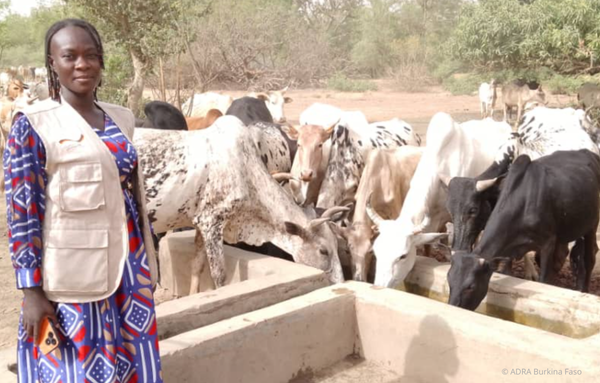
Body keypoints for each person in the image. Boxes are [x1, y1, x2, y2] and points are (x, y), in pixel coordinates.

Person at [3, 19, 162, 382]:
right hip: (72, 277)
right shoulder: (34, 124)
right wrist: (31, 290)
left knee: (133, 363)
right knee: (74, 371)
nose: (82, 64)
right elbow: (23, 213)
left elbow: (130, 196)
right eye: (69, 56)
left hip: (129, 268)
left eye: (91, 56)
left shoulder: (120, 118)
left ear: (101, 62)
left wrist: (148, 261)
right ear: (52, 62)